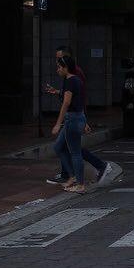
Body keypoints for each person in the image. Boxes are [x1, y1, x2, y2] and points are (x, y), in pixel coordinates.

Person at [44, 46, 112, 186]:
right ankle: (72, 175)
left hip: (74, 117)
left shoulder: (73, 76)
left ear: (66, 62)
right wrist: (58, 92)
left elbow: (74, 99)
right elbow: (71, 96)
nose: (57, 65)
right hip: (75, 116)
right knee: (62, 147)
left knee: (73, 150)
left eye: (59, 60)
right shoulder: (68, 78)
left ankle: (78, 179)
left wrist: (60, 123)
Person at [52, 56, 89, 193]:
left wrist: (58, 123)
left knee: (75, 152)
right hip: (78, 117)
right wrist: (84, 121)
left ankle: (80, 184)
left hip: (72, 119)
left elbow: (66, 103)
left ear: (66, 67)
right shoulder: (76, 80)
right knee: (58, 146)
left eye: (59, 67)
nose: (57, 70)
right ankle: (73, 177)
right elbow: (79, 100)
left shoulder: (70, 81)